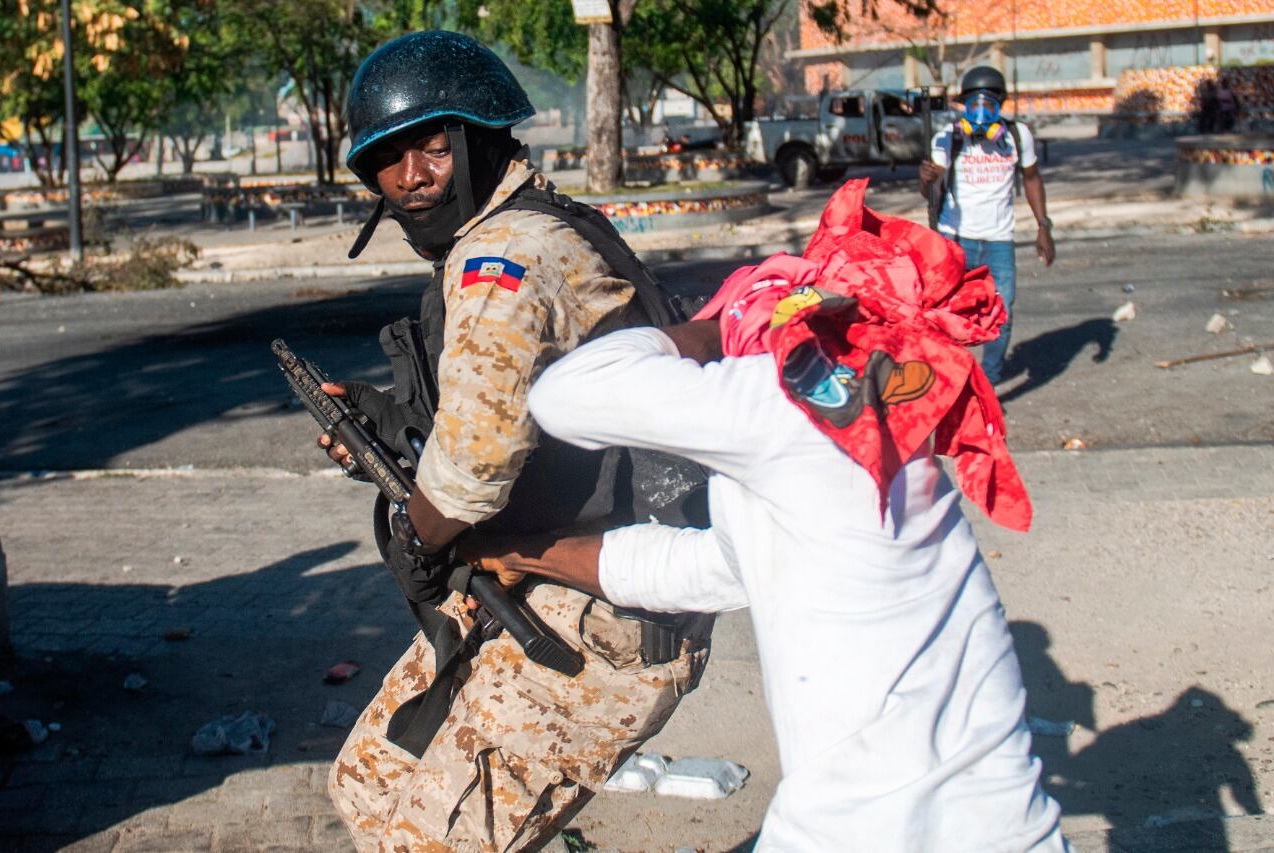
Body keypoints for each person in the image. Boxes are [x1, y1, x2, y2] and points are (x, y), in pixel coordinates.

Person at [463, 180, 1070, 850]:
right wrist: (525, 553)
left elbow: (566, 396)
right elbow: (709, 567)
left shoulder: (778, 402)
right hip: (1005, 826)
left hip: (857, 827)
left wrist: (712, 331)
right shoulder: (876, 428)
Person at [318, 31, 712, 852]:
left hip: (605, 613)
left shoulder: (502, 255)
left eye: (433, 146)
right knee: (363, 784)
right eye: (388, 160)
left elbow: (469, 476)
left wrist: (419, 545)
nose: (412, 177)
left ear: (484, 139)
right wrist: (385, 429)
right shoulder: (538, 225)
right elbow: (510, 417)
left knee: (419, 842)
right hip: (531, 574)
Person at [920, 65, 1055, 385]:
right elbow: (931, 189)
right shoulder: (949, 138)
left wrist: (1043, 226)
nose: (981, 111)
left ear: (1001, 104)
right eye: (973, 103)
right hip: (957, 240)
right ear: (963, 106)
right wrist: (925, 180)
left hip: (999, 241)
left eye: (989, 103)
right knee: (950, 316)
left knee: (1002, 315)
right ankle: (954, 380)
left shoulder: (1017, 136)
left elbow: (1033, 179)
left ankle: (988, 382)